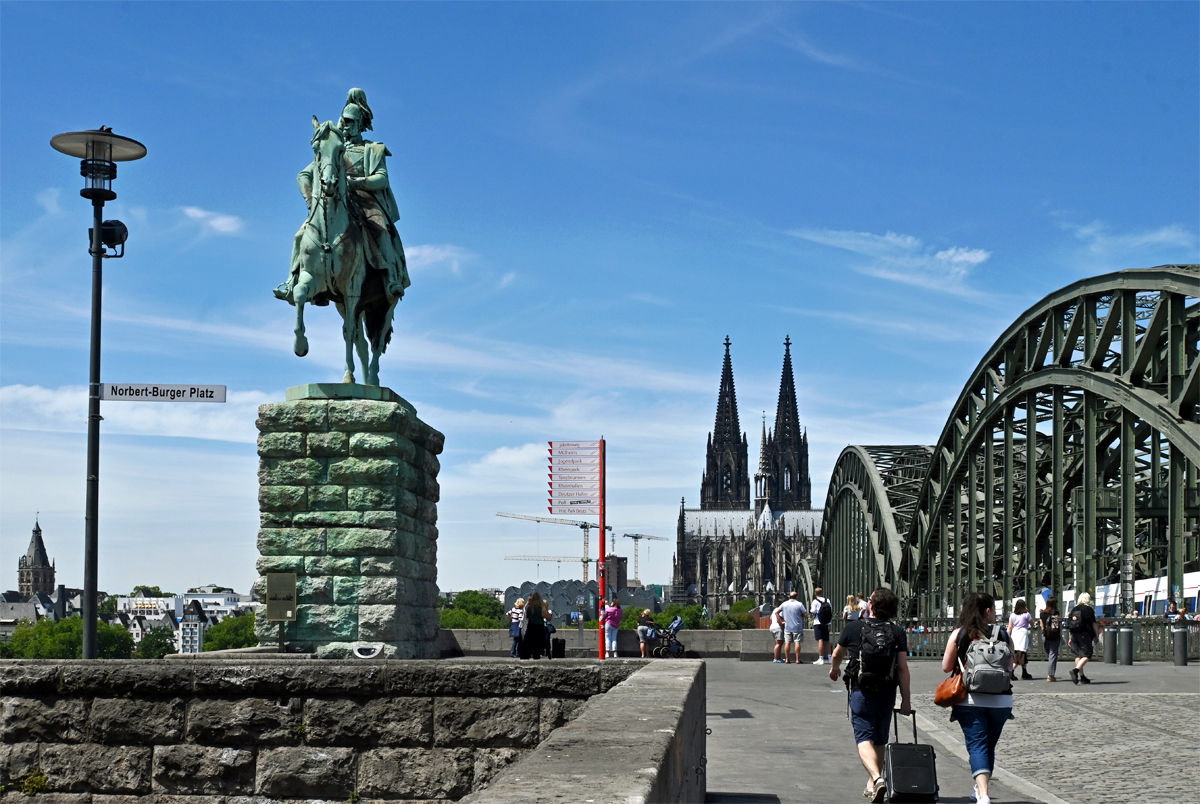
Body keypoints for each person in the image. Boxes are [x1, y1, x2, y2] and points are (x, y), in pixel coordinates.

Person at [829, 588, 912, 803]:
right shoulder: (897, 631)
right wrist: (906, 700)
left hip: (861, 690)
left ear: (871, 607)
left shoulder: (854, 627)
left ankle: (876, 778)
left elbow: (837, 653)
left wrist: (835, 668)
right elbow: (902, 668)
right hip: (887, 691)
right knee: (880, 738)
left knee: (863, 736)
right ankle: (872, 784)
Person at [941, 592, 1013, 804]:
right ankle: (980, 789)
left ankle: (983, 794)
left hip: (969, 700)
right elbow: (1011, 665)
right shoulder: (1003, 634)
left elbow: (946, 667)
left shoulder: (959, 634)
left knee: (977, 746)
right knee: (988, 746)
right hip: (1001, 701)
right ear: (988, 611)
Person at [1067, 592, 1099, 685]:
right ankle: (1076, 670)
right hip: (1085, 634)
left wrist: (1070, 637)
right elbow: (1094, 624)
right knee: (1087, 654)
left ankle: (1082, 677)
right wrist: (1096, 636)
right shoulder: (1088, 610)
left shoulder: (1074, 609)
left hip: (1074, 634)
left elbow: (1071, 625)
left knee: (1078, 655)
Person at [779, 591, 808, 664]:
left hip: (787, 626)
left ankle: (787, 659)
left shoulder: (784, 604)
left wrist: (781, 622)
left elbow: (777, 612)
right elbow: (805, 614)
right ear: (796, 596)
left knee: (787, 643)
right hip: (797, 626)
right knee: (797, 642)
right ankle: (798, 659)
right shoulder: (799, 604)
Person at [1008, 599, 1034, 680]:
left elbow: (1010, 627)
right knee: (1021, 653)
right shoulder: (1026, 615)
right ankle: (1011, 672)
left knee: (1017, 652)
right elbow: (1032, 624)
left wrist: (1007, 635)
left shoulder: (1012, 615)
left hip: (1015, 634)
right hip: (1023, 634)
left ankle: (1024, 671)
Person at [1038, 595, 1062, 682]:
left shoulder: (1042, 614)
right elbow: (1057, 626)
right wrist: (1061, 637)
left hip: (1045, 636)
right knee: (1053, 655)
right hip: (1054, 636)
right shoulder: (1056, 613)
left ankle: (1051, 673)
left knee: (1050, 654)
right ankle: (1050, 675)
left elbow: (1042, 627)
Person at [519, 593, 549, 660]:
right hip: (540, 627)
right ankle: (537, 655)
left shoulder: (529, 608)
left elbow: (527, 617)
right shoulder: (542, 608)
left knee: (528, 643)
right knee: (538, 644)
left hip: (531, 626)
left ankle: (525, 656)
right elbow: (546, 617)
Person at [811, 586, 833, 665]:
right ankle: (830, 658)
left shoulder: (815, 601)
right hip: (826, 622)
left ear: (815, 593)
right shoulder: (827, 600)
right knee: (827, 640)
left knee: (820, 640)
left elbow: (813, 611)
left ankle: (821, 658)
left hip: (818, 622)